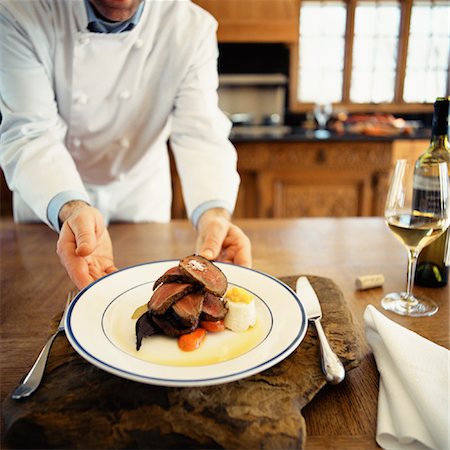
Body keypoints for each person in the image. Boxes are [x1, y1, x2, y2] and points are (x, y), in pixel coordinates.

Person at [0, 0, 252, 289]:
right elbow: (31, 133)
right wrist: (70, 208)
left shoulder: (191, 27)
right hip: (49, 198)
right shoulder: (20, 13)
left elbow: (200, 134)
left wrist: (214, 215)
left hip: (140, 197)